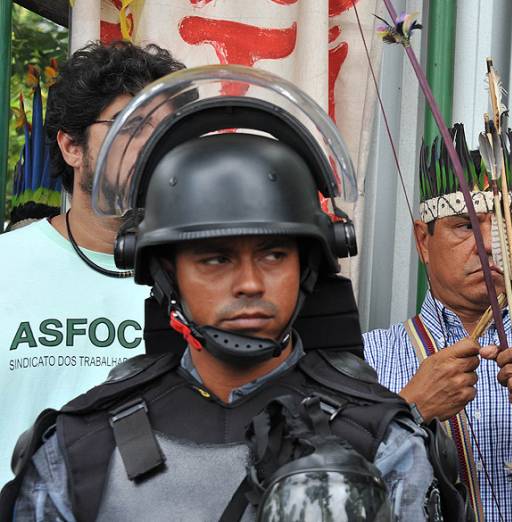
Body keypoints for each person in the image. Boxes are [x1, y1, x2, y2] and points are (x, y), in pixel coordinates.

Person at [0, 66, 457, 521]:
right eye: (215, 260)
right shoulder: (81, 447)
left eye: (274, 255)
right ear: (166, 274)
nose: (250, 283)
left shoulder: (383, 443)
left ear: (309, 267)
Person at [364, 124, 512, 521]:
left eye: (501, 223)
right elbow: (334, 495)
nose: (490, 244)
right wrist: (411, 410)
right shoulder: (368, 359)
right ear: (423, 241)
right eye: (465, 225)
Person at [0, 41, 184, 486]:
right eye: (130, 126)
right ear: (71, 146)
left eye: (162, 129)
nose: (149, 146)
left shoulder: (203, 276)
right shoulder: (7, 266)